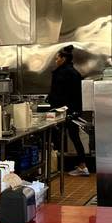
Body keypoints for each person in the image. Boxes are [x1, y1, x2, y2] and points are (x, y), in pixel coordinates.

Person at [49, 45, 89, 176]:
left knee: (56, 136)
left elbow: (57, 94)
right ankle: (81, 166)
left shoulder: (62, 73)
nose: (56, 61)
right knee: (74, 137)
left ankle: (57, 167)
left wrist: (51, 106)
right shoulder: (74, 72)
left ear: (63, 58)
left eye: (57, 58)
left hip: (64, 111)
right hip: (72, 110)